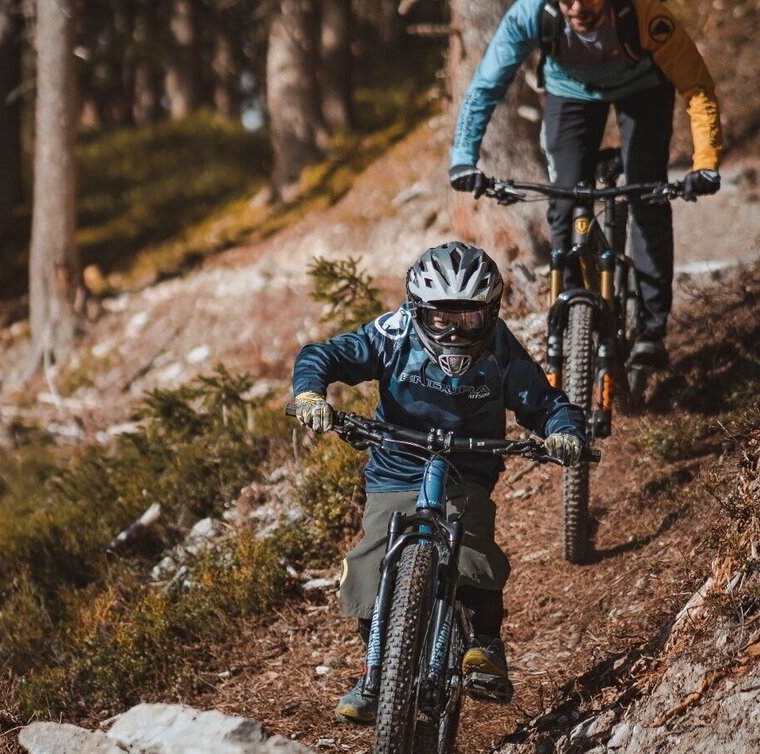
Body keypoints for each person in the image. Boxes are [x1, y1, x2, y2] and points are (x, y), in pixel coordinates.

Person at [291, 241, 587, 723]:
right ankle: (376, 674)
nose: (453, 332)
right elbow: (326, 354)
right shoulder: (393, 333)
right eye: (440, 319)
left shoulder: (500, 350)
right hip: (396, 465)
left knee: (471, 545)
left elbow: (546, 403)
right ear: (416, 311)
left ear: (490, 313)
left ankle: (487, 643)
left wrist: (564, 431)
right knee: (369, 562)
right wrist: (310, 392)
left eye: (468, 319)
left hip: (466, 467)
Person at [449, 0, 724, 367]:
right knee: (563, 203)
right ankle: (571, 316)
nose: (577, 7)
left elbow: (697, 87)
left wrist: (704, 163)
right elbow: (486, 87)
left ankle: (650, 330)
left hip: (643, 90)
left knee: (647, 195)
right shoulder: (532, 14)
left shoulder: (644, 14)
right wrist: (463, 159)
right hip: (570, 93)